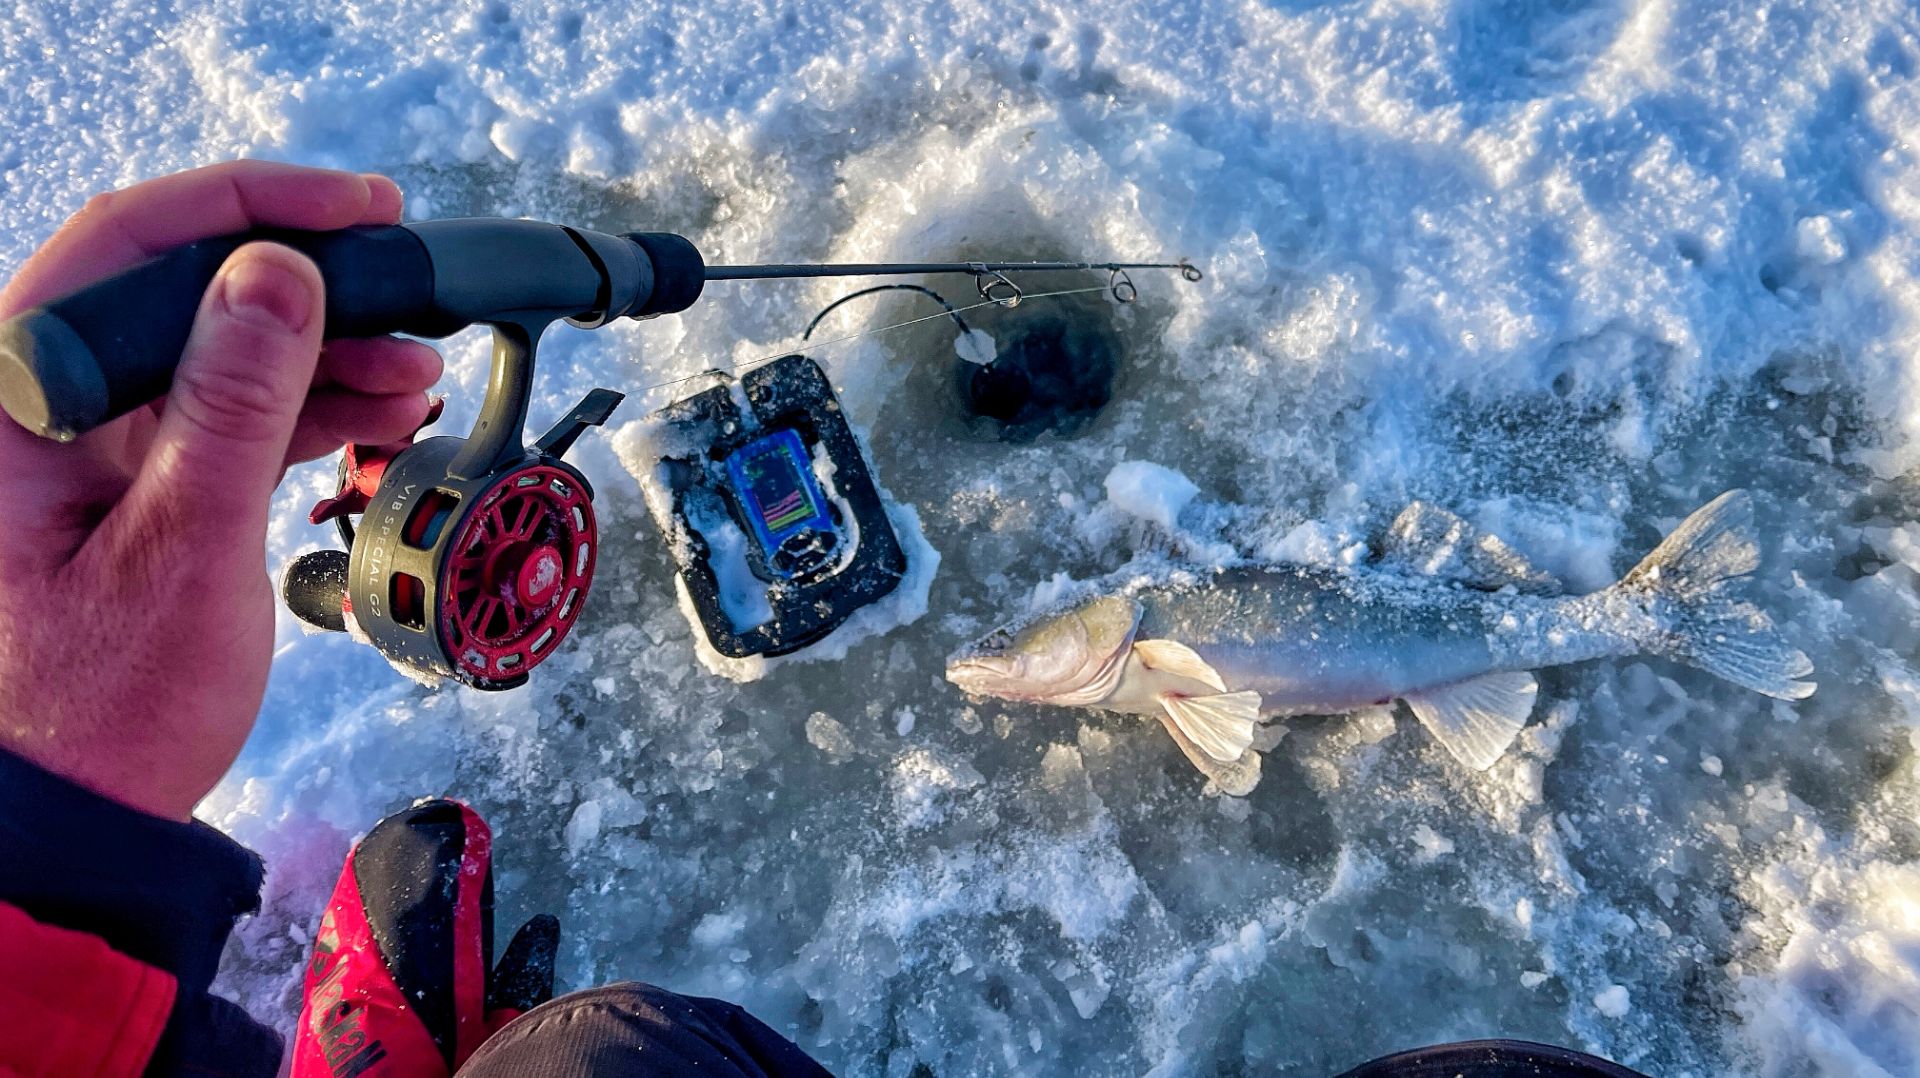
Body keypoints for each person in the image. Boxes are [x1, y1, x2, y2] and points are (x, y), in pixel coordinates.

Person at [0, 161, 1645, 1078]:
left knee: (609, 1064)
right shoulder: (1127, 657)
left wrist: (44, 803)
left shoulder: (1141, 635)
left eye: (1039, 649)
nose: (1012, 667)